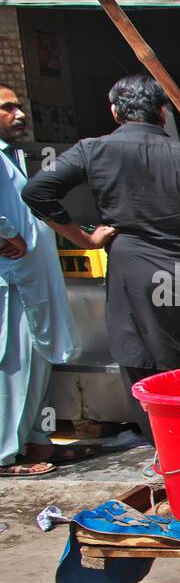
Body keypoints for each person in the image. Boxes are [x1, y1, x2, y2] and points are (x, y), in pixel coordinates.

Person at [23, 75, 180, 443]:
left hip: (131, 275)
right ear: (163, 113)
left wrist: (85, 238)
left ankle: (167, 449)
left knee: (142, 363)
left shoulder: (93, 150)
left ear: (114, 112)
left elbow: (37, 191)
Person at [0, 84, 76, 477]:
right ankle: (4, 454)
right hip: (11, 281)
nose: (19, 114)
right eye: (7, 108)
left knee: (38, 360)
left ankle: (36, 440)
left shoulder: (11, 156)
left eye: (18, 106)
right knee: (12, 365)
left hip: (31, 276)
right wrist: (3, 233)